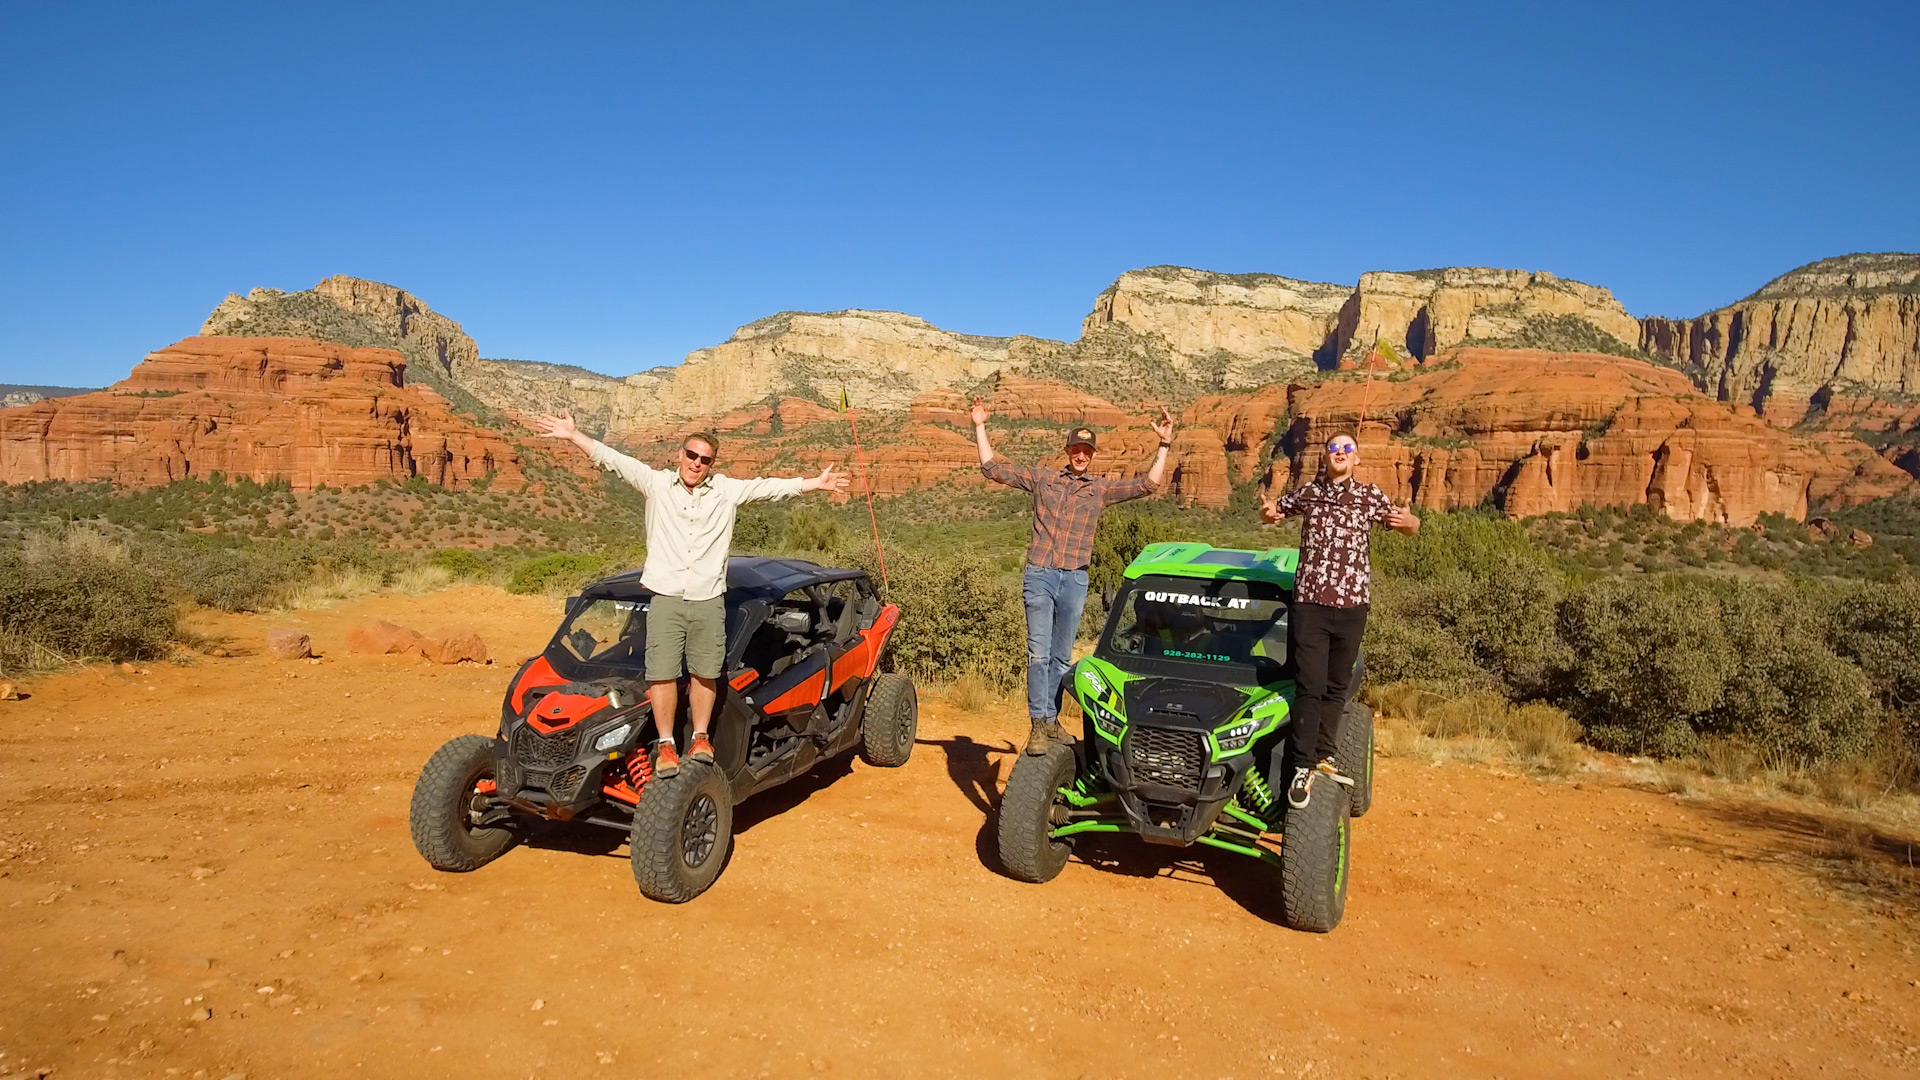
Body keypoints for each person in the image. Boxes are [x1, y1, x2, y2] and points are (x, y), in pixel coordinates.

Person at [530, 411, 850, 777]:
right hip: (666, 598)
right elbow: (612, 459)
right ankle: (666, 743)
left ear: (712, 464)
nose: (696, 464)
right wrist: (573, 435)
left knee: (705, 672)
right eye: (692, 455)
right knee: (662, 674)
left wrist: (814, 484)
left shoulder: (726, 491)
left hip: (708, 600)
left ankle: (700, 737)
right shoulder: (656, 484)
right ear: (679, 455)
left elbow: (770, 487)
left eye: (705, 459)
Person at [974, 399, 1175, 755]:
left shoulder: (1099, 490)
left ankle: (1051, 722)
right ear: (1067, 451)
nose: (1081, 456)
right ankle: (1038, 725)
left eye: (1087, 451)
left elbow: (1148, 485)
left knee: (1062, 658)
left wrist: (1164, 445)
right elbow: (992, 469)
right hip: (1040, 574)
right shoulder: (1044, 479)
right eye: (1076, 449)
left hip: (1075, 580)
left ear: (1092, 455)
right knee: (1038, 653)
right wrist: (979, 425)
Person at [1260, 432, 1419, 809]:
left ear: (1357, 459)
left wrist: (1411, 522)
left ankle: (1323, 756)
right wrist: (1266, 512)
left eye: (1348, 449)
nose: (1341, 453)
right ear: (1325, 457)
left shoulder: (1369, 496)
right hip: (1311, 604)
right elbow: (1273, 512)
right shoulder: (1309, 494)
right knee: (1309, 685)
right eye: (1334, 449)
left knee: (1337, 686)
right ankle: (1302, 767)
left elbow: (1407, 525)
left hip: (1352, 606)